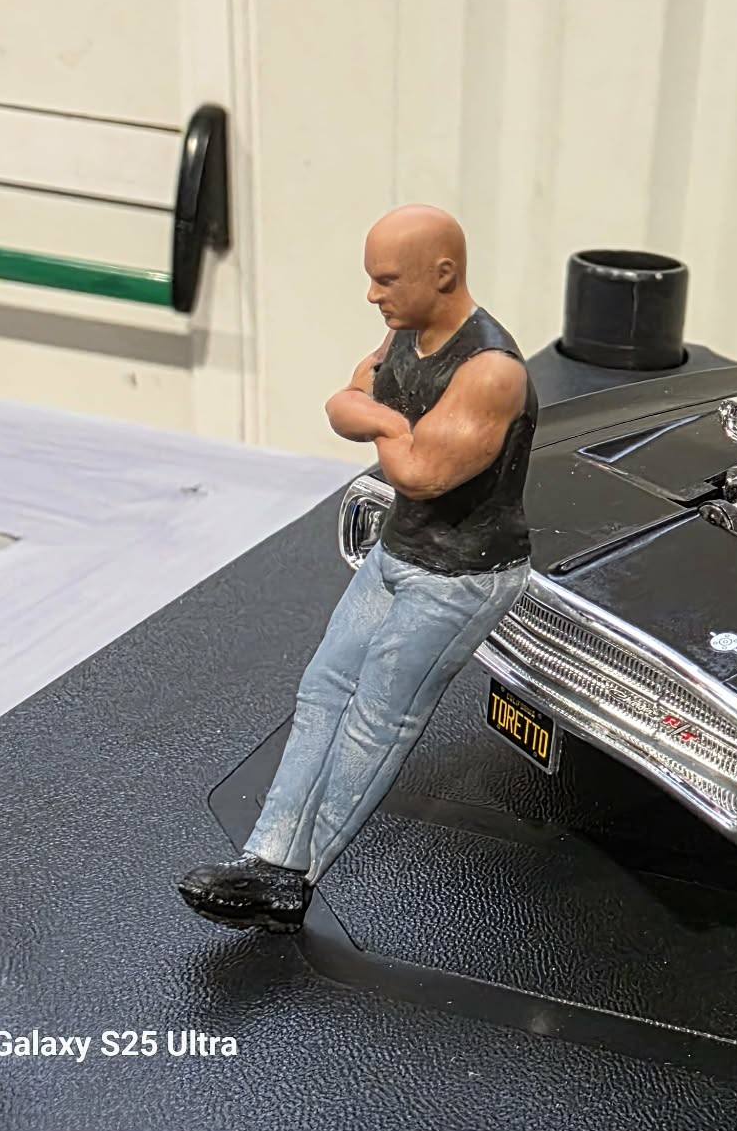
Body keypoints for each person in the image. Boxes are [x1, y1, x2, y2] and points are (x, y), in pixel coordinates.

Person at [177, 204, 537, 934]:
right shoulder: (405, 332)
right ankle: (268, 857)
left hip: (460, 575)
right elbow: (343, 404)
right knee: (323, 690)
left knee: (378, 720)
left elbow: (421, 475)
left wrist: (379, 419)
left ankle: (295, 880)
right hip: (398, 552)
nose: (373, 295)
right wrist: (389, 420)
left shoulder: (491, 371)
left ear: (443, 275)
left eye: (387, 280)